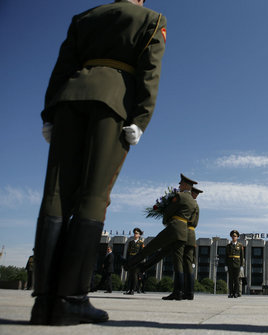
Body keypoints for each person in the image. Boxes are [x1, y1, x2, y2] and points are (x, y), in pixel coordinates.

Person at [31, 0, 166, 325]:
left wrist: (49, 113)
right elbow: (150, 72)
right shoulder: (151, 18)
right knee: (93, 196)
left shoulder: (85, 17)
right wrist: (141, 119)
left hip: (69, 100)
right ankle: (71, 298)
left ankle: (45, 301)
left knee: (55, 194)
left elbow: (61, 68)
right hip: (113, 102)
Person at [124, 174, 198, 301]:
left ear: (185, 185)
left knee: (153, 246)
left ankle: (130, 264)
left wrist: (165, 218)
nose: (179, 186)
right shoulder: (193, 201)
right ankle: (178, 291)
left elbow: (170, 210)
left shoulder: (179, 196)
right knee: (177, 261)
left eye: (181, 184)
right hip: (184, 233)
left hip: (174, 227)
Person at [183, 186, 203, 300]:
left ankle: (188, 291)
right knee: (183, 263)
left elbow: (191, 220)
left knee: (186, 263)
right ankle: (185, 290)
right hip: (185, 233)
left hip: (187, 233)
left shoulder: (193, 205)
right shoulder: (191, 205)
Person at [124, 228, 144, 295]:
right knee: (130, 275)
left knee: (134, 275)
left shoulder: (141, 243)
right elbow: (128, 252)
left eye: (137, 233)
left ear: (139, 235)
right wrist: (127, 261)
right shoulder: (130, 242)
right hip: (130, 260)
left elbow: (142, 253)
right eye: (134, 233)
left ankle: (132, 290)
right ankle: (128, 289)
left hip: (136, 261)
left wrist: (140, 262)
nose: (135, 234)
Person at [225, 230, 244, 298]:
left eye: (235, 236)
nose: (234, 237)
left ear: (237, 237)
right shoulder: (228, 246)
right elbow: (226, 256)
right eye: (233, 236)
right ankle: (230, 293)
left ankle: (236, 293)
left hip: (237, 264)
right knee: (230, 280)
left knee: (236, 280)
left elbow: (242, 256)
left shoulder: (240, 245)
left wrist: (242, 265)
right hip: (230, 264)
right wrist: (226, 265)